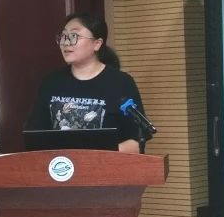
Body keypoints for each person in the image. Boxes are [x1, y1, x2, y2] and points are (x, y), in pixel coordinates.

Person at [26, 13, 146, 153]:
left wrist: (94, 156)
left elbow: (136, 141)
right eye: (63, 36)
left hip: (105, 164)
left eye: (74, 36)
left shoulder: (121, 82)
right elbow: (34, 136)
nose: (66, 42)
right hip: (61, 164)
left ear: (97, 44)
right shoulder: (51, 82)